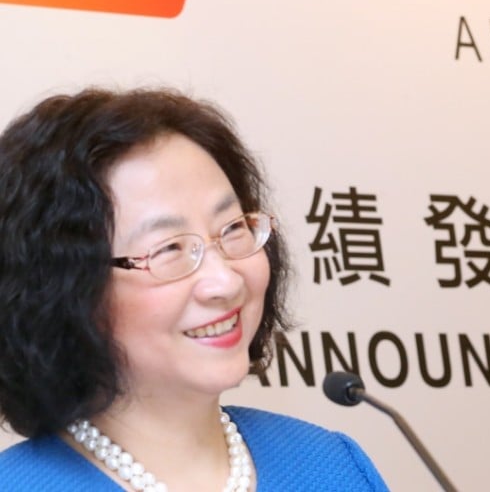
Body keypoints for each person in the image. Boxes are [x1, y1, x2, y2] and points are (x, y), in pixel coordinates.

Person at [0, 87, 390, 492]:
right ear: (62, 289)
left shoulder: (332, 465)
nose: (225, 281)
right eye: (168, 249)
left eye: (233, 228)